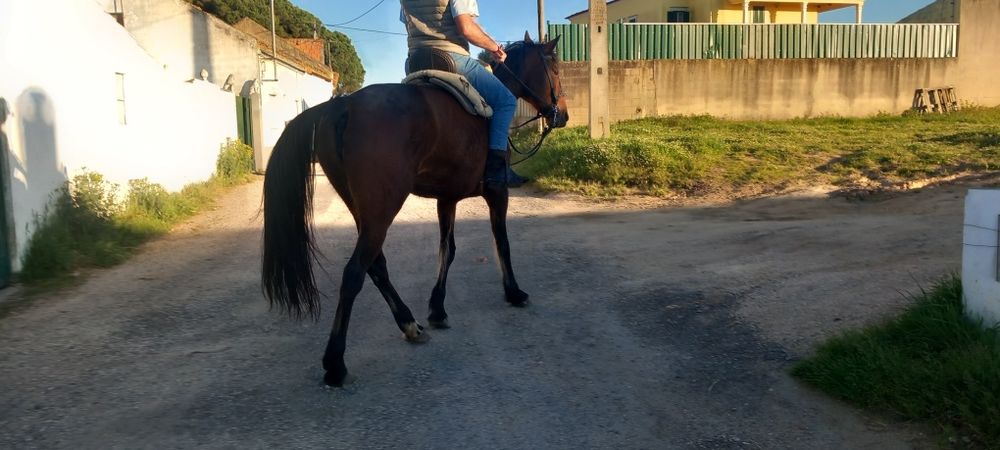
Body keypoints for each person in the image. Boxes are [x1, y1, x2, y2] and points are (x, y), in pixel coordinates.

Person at [400, 0, 526, 189]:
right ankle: (497, 170)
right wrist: (494, 48)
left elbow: (407, 24)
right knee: (505, 101)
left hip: (415, 60)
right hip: (451, 57)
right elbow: (466, 28)